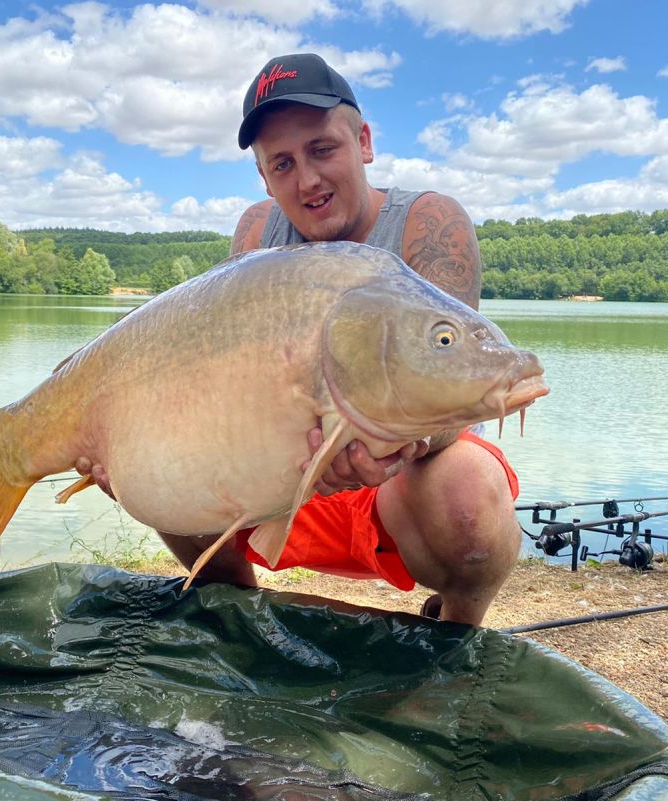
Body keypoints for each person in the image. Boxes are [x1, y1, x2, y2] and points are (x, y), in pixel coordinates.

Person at [153, 53, 523, 627]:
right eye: (282, 163)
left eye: (322, 149)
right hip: (284, 476)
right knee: (158, 456)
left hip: (402, 489)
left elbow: (455, 396)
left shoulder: (429, 222)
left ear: (363, 142)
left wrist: (378, 445)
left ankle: (456, 631)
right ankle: (235, 615)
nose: (307, 180)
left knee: (468, 491)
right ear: (264, 176)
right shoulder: (257, 230)